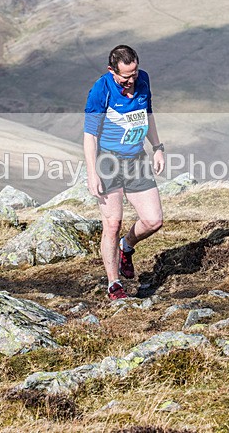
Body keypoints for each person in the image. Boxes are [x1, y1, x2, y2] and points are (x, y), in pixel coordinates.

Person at [84, 45, 165, 300]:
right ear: (112, 71)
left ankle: (126, 246)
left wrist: (158, 147)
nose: (131, 81)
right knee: (112, 223)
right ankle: (114, 284)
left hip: (136, 160)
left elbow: (147, 115)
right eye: (125, 77)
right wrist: (91, 173)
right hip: (107, 161)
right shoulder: (102, 89)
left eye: (134, 74)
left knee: (154, 221)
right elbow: (89, 135)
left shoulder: (143, 80)